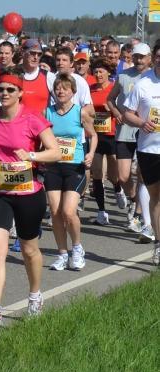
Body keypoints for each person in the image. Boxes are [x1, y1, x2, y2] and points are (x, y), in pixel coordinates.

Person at [0, 68, 61, 327]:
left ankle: (35, 295)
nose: (4, 93)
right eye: (0, 89)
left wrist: (32, 156)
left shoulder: (33, 119)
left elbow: (55, 151)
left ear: (20, 93)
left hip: (28, 192)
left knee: (29, 249)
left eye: (10, 90)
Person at [45, 73, 97, 271]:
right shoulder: (47, 112)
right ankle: (62, 253)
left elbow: (93, 136)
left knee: (68, 211)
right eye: (58, 88)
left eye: (65, 88)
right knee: (56, 213)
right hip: (53, 167)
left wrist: (91, 154)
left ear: (73, 92)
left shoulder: (80, 113)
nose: (60, 91)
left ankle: (77, 248)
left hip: (75, 166)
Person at [108, 42, 153, 238]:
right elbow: (110, 99)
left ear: (150, 57)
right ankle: (135, 199)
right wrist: (117, 112)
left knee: (143, 175)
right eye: (135, 56)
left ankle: (139, 214)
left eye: (142, 56)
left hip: (147, 134)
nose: (138, 60)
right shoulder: (124, 76)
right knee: (123, 177)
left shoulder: (153, 76)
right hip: (125, 130)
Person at [123, 43, 160, 265]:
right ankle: (158, 244)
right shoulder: (143, 84)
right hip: (149, 149)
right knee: (156, 198)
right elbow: (128, 113)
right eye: (158, 56)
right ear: (154, 58)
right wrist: (141, 122)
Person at [89, 58, 118, 226]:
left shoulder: (114, 89)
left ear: (108, 73)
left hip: (112, 134)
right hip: (96, 136)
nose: (98, 74)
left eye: (101, 71)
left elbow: (123, 109)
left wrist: (112, 109)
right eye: (96, 71)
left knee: (115, 174)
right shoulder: (90, 89)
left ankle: (118, 189)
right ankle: (102, 212)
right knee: (98, 173)